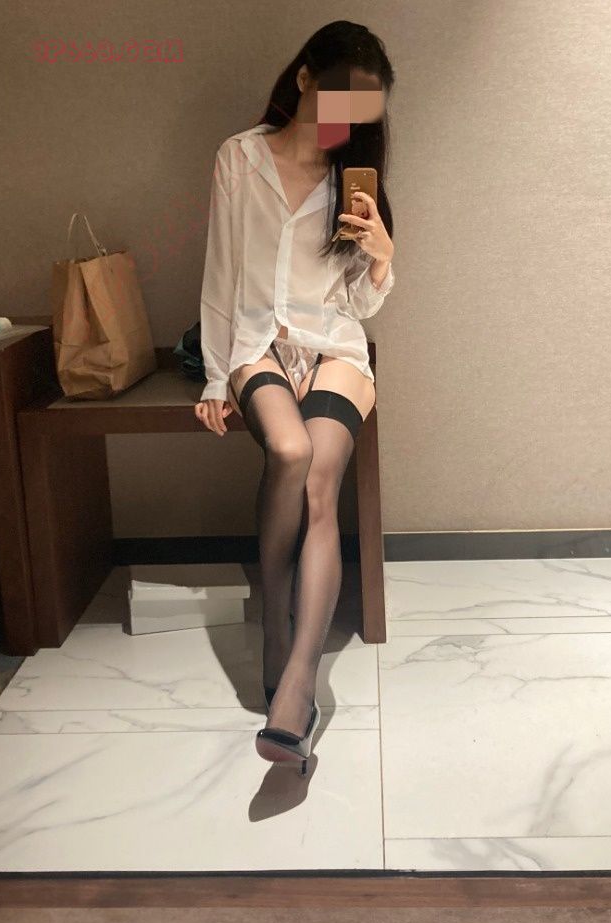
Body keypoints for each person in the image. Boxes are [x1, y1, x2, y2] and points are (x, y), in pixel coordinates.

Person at [193, 20, 396, 773]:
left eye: (362, 109)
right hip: (257, 343)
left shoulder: (353, 178)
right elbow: (221, 272)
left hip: (334, 345)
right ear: (306, 78)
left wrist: (381, 259)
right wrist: (216, 374)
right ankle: (275, 627)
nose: (347, 120)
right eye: (340, 97)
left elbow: (361, 305)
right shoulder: (239, 158)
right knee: (288, 449)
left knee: (319, 479)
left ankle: (298, 680)